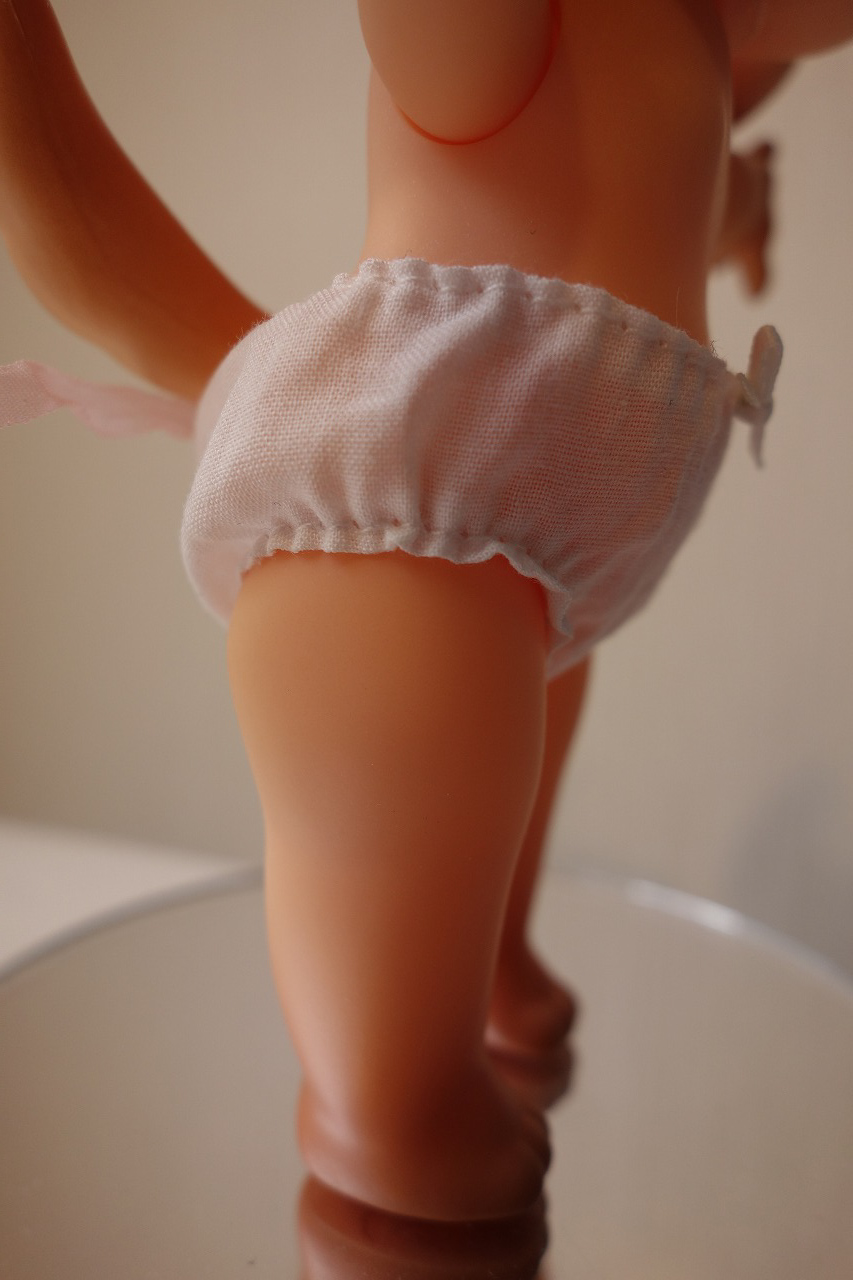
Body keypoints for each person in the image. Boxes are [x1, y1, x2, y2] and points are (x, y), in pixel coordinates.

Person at [0, 0, 850, 1222]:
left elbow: (686, 153)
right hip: (396, 545)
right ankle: (386, 1110)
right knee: (426, 774)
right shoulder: (532, 33)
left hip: (536, 544)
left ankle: (490, 958)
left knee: (515, 739)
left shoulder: (685, 46)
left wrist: (738, 203)